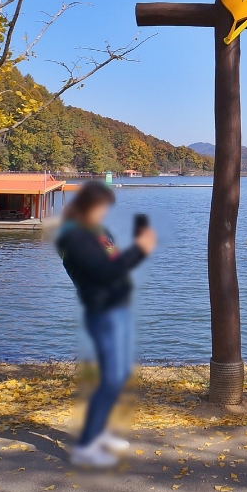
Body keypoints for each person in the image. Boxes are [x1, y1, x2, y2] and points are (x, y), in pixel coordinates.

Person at [56, 181, 156, 467]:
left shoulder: (100, 232)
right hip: (102, 313)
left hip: (118, 310)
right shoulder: (71, 237)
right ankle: (87, 445)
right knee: (111, 378)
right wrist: (140, 249)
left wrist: (138, 246)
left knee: (118, 376)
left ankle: (99, 433)